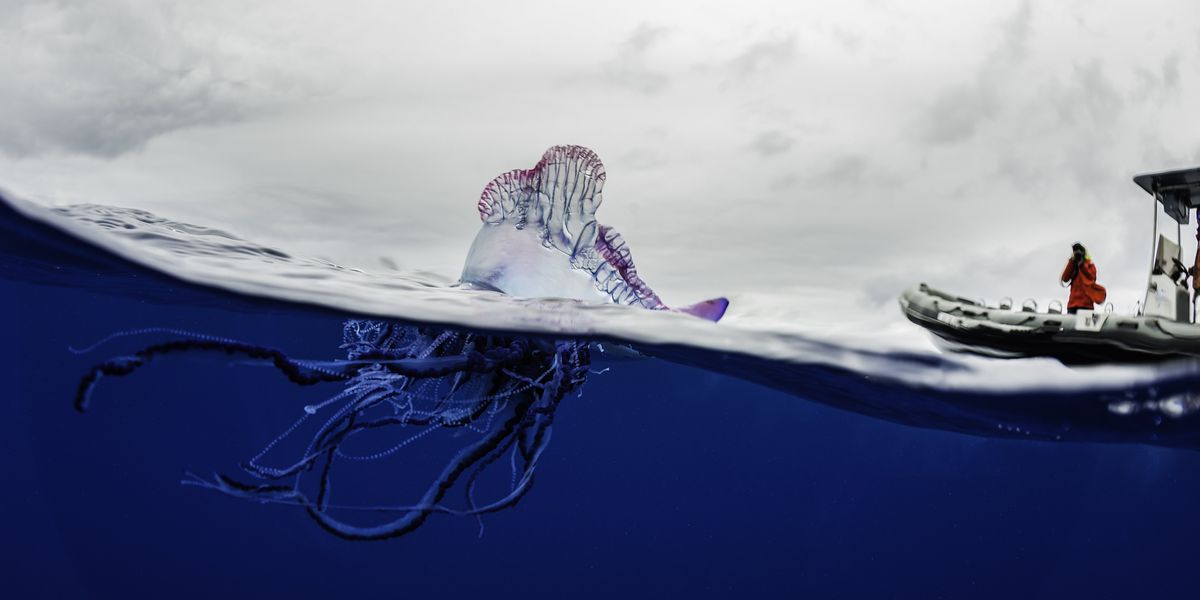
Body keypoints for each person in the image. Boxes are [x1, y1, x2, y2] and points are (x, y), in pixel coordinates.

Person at [1060, 242, 1106, 314]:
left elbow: (1092, 277)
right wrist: (1072, 261)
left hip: (1086, 305)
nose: (1077, 253)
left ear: (1083, 252)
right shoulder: (1072, 264)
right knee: (1071, 325)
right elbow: (1065, 278)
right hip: (1072, 304)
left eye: (1079, 251)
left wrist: (1082, 265)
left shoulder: (1090, 264)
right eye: (1075, 251)